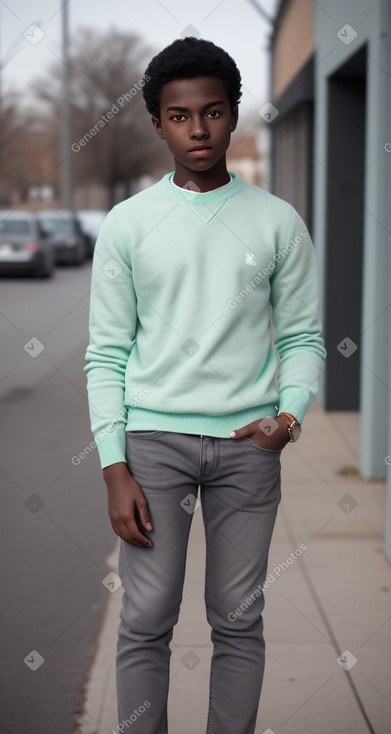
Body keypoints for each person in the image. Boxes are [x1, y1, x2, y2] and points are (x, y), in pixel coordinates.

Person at [84, 36, 327, 734]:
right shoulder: (128, 225)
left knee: (238, 619)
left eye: (214, 112)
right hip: (154, 445)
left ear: (233, 114)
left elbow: (303, 337)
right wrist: (112, 466)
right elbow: (105, 353)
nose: (198, 129)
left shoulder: (278, 222)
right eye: (180, 116)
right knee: (146, 617)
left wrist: (290, 416)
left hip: (248, 448)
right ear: (157, 123)